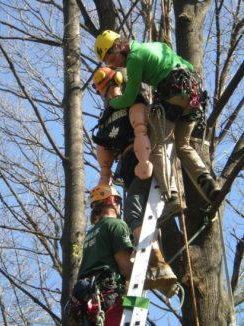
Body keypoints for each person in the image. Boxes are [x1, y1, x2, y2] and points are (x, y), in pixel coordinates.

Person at [94, 30, 220, 203]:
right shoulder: (156, 46)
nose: (116, 65)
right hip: (192, 96)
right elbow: (188, 67)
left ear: (118, 46)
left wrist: (113, 104)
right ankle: (208, 184)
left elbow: (130, 97)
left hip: (173, 94)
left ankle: (172, 196)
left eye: (113, 60)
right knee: (183, 145)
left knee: (156, 146)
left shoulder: (134, 58)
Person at [91, 67, 178, 298]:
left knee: (133, 214)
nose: (108, 94)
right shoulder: (105, 120)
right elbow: (105, 166)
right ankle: (153, 272)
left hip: (141, 159)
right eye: (104, 90)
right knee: (131, 219)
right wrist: (104, 195)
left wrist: (144, 159)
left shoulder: (131, 100)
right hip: (127, 168)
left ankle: (157, 263)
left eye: (109, 86)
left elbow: (140, 129)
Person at [66, 184, 133, 326]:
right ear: (112, 201)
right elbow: (126, 268)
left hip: (84, 304)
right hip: (108, 299)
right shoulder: (115, 224)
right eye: (118, 202)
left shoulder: (88, 235)